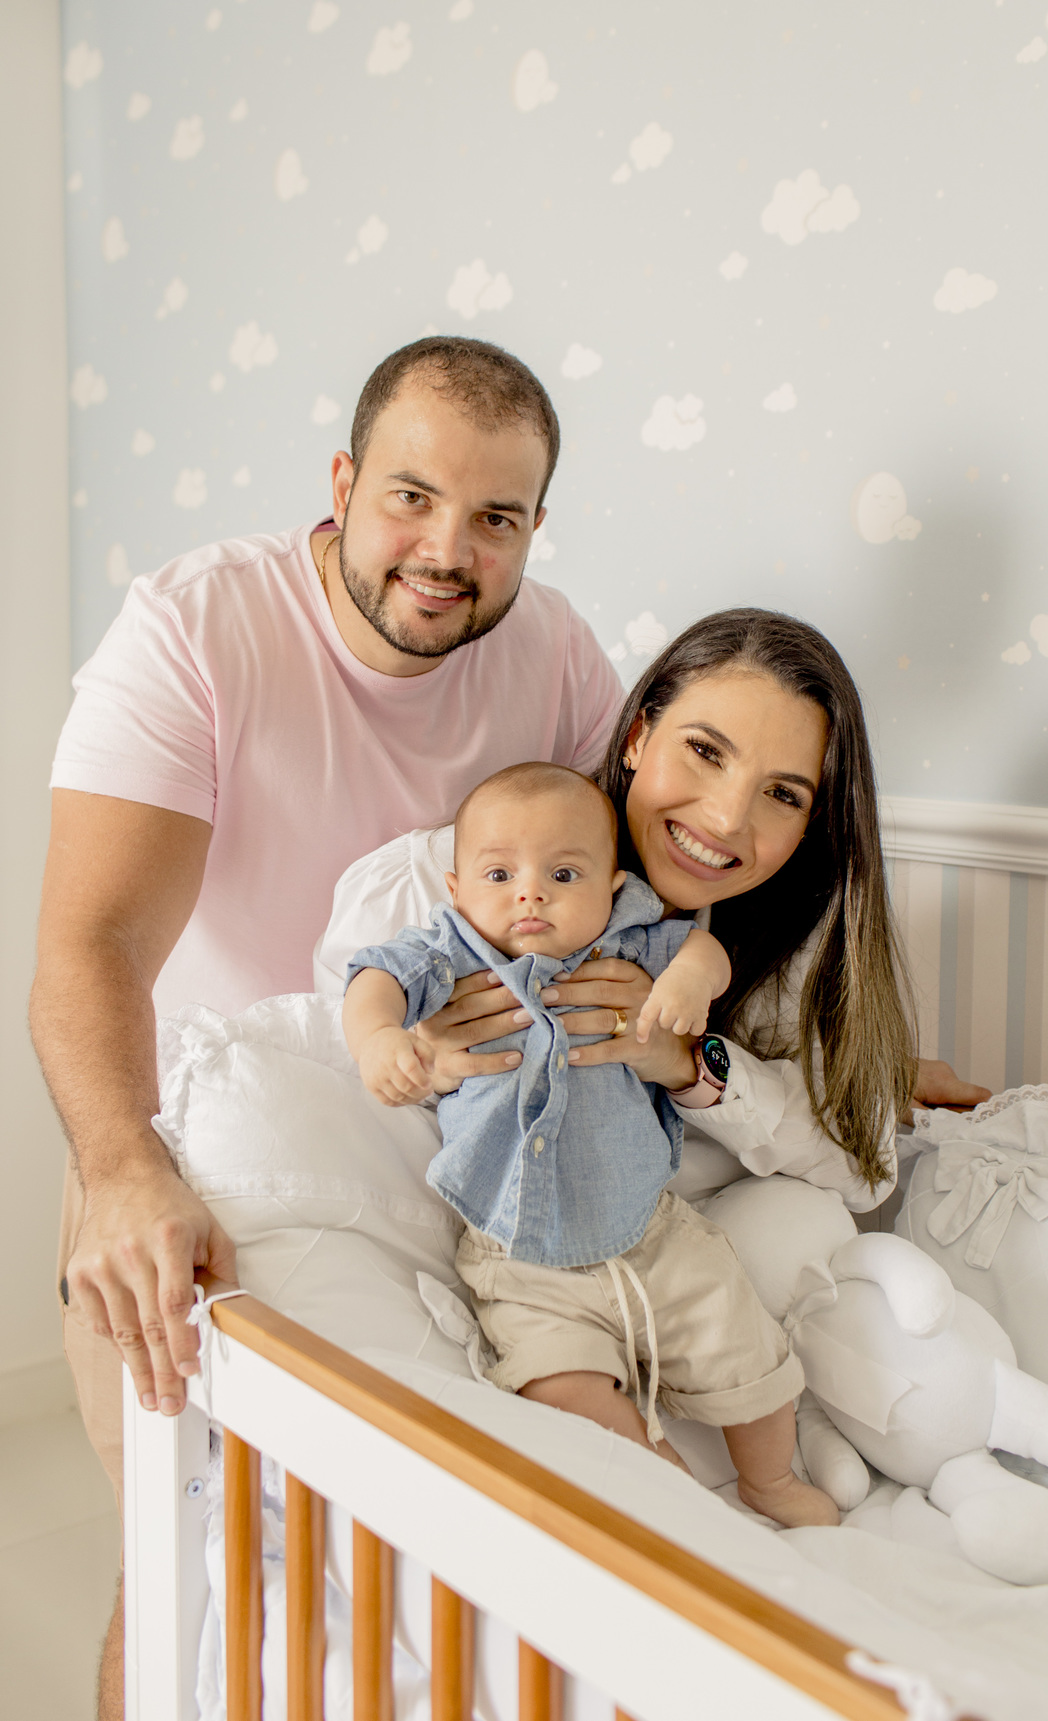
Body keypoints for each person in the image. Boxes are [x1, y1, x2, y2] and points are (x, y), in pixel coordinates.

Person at [31, 335, 625, 1717]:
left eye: (496, 518)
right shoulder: (196, 629)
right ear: (345, 484)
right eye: (413, 497)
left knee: (404, 1609)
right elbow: (89, 942)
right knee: (191, 1571)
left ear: (536, 526)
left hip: (446, 1156)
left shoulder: (554, 654)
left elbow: (642, 900)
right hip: (197, 1150)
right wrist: (121, 1167)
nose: (448, 551)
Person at [319, 607, 989, 1479]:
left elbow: (860, 1165)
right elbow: (337, 1077)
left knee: (800, 1224)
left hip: (676, 1287)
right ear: (637, 735)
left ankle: (780, 1461)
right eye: (705, 751)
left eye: (783, 794)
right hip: (507, 1291)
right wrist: (419, 1048)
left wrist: (689, 1065)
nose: (726, 817)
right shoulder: (438, 890)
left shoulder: (782, 946)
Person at [342, 762, 836, 1528]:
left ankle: (769, 1479)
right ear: (457, 888)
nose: (530, 894)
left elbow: (704, 951)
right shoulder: (453, 951)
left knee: (745, 1345)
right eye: (500, 874)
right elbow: (374, 976)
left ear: (612, 887)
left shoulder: (630, 941)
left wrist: (689, 982)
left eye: (563, 874)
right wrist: (378, 1038)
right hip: (518, 1252)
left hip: (650, 1229)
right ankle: (664, 1487)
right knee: (558, 1386)